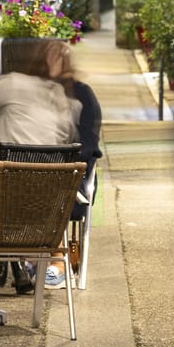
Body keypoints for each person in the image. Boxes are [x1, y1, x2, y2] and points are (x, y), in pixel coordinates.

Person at [0, 40, 79, 295]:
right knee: (11, 190)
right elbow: (65, 139)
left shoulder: (12, 83)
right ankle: (12, 268)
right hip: (42, 195)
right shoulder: (62, 100)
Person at [43, 41, 103, 290]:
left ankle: (58, 259)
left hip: (72, 171)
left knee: (52, 183)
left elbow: (89, 145)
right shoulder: (34, 94)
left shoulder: (82, 94)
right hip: (33, 168)